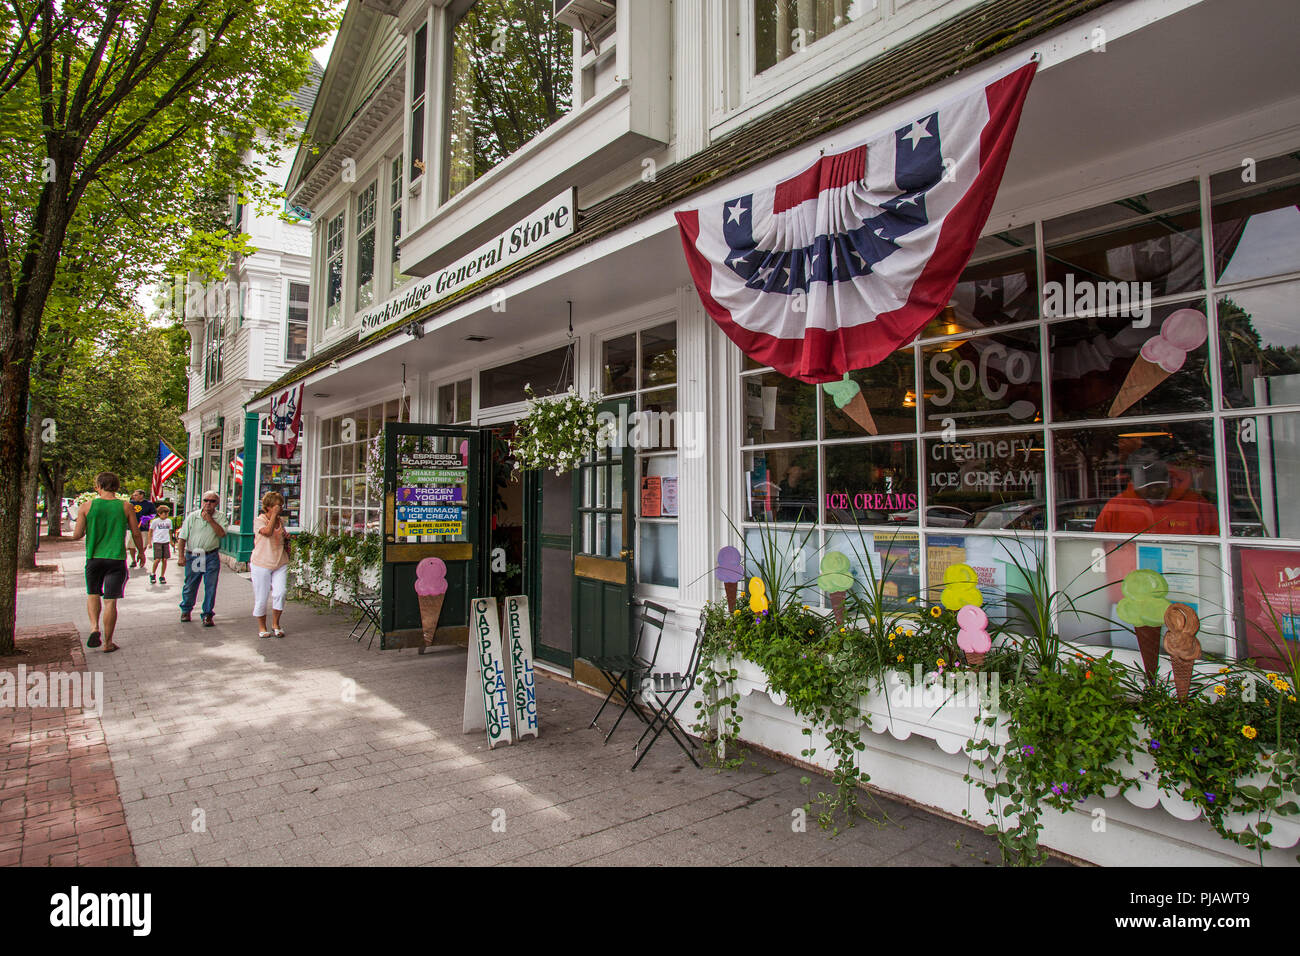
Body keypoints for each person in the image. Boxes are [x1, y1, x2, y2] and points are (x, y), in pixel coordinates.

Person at [73, 472, 143, 653]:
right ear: (117, 487)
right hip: (116, 559)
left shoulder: (86, 506)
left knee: (93, 593)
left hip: (94, 558)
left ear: (98, 486)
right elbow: (136, 533)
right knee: (111, 602)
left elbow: (77, 534)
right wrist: (141, 552)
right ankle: (108, 643)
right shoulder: (126, 507)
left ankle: (94, 627)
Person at [1094, 448, 1218, 536]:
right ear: (1132, 481)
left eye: (1158, 484)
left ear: (1168, 479)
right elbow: (1098, 548)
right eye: (1146, 485)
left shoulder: (1197, 505)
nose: (1154, 489)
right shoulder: (1115, 508)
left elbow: (1218, 547)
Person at [177, 490, 228, 626]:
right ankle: (186, 609)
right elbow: (182, 537)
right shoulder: (193, 516)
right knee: (191, 584)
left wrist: (210, 520)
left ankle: (207, 614)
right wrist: (181, 556)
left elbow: (222, 534)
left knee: (210, 586)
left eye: (212, 501)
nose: (208, 504)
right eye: (206, 500)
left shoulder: (220, 517)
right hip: (195, 554)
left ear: (216, 503)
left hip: (211, 555)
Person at [251, 491, 292, 638]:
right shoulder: (259, 520)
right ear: (268, 507)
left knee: (280, 592)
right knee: (261, 597)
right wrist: (274, 516)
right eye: (277, 505)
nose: (280, 508)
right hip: (261, 562)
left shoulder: (280, 521)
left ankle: (276, 623)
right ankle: (262, 627)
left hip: (280, 561)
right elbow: (267, 532)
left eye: (281, 505)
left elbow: (279, 536)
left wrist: (286, 537)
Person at [126, 490, 156, 568]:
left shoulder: (149, 504)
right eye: (134, 495)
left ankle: (141, 554)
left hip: (143, 528)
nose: (134, 496)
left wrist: (147, 518)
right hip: (131, 527)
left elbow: (153, 514)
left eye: (136, 495)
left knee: (143, 544)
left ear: (141, 495)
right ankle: (133, 560)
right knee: (131, 545)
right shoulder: (131, 503)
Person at [149, 504, 175, 585]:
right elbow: (150, 531)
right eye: (164, 513)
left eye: (167, 514)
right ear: (159, 513)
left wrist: (171, 541)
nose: (166, 515)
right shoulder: (155, 521)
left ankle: (162, 575)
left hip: (165, 541)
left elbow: (170, 531)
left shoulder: (169, 521)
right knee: (157, 559)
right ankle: (153, 574)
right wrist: (149, 542)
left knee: (165, 559)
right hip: (157, 541)